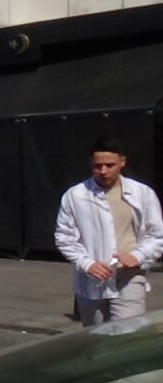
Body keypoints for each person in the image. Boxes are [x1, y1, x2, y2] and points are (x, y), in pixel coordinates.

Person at [54, 137, 163, 326]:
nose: (103, 171)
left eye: (109, 165)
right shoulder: (75, 195)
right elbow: (64, 237)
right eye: (98, 166)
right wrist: (87, 264)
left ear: (122, 162)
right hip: (92, 282)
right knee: (96, 339)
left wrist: (137, 255)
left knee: (126, 337)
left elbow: (157, 235)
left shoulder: (142, 193)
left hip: (129, 278)